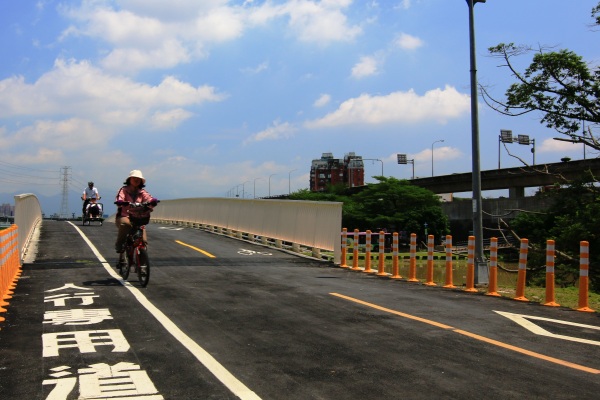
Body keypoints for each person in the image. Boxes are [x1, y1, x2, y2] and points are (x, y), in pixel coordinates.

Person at [114, 170, 157, 253]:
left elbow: (148, 198)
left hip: (138, 218)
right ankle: (119, 244)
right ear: (129, 179)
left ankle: (141, 261)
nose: (136, 180)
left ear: (141, 181)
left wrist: (152, 201)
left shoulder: (142, 192)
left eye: (138, 179)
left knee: (143, 241)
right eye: (134, 178)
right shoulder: (123, 190)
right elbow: (119, 198)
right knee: (125, 224)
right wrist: (120, 202)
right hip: (124, 216)